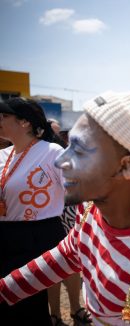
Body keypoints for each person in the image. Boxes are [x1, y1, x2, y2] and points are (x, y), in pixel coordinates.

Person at [0, 89, 130, 325]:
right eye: (69, 145)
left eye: (81, 150)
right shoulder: (91, 212)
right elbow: (63, 257)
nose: (60, 161)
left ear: (129, 166)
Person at [0, 99, 67, 325]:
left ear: (25, 122)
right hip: (5, 235)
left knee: (27, 307)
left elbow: (78, 189)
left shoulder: (51, 152)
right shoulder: (2, 155)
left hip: (37, 236)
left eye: (4, 116)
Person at [46, 119, 91, 326]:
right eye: (56, 133)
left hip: (69, 212)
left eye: (62, 134)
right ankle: (54, 313)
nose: (60, 138)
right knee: (51, 265)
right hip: (47, 216)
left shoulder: (65, 156)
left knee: (72, 263)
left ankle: (76, 308)